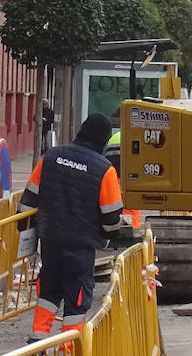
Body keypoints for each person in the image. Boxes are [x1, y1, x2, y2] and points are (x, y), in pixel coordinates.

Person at [18, 114, 124, 343]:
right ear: (104, 140)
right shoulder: (104, 169)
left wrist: (25, 231)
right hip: (81, 245)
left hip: (51, 240)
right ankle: (67, 351)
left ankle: (37, 341)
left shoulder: (51, 157)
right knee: (77, 297)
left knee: (49, 291)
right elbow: (112, 217)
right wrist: (107, 237)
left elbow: (28, 200)